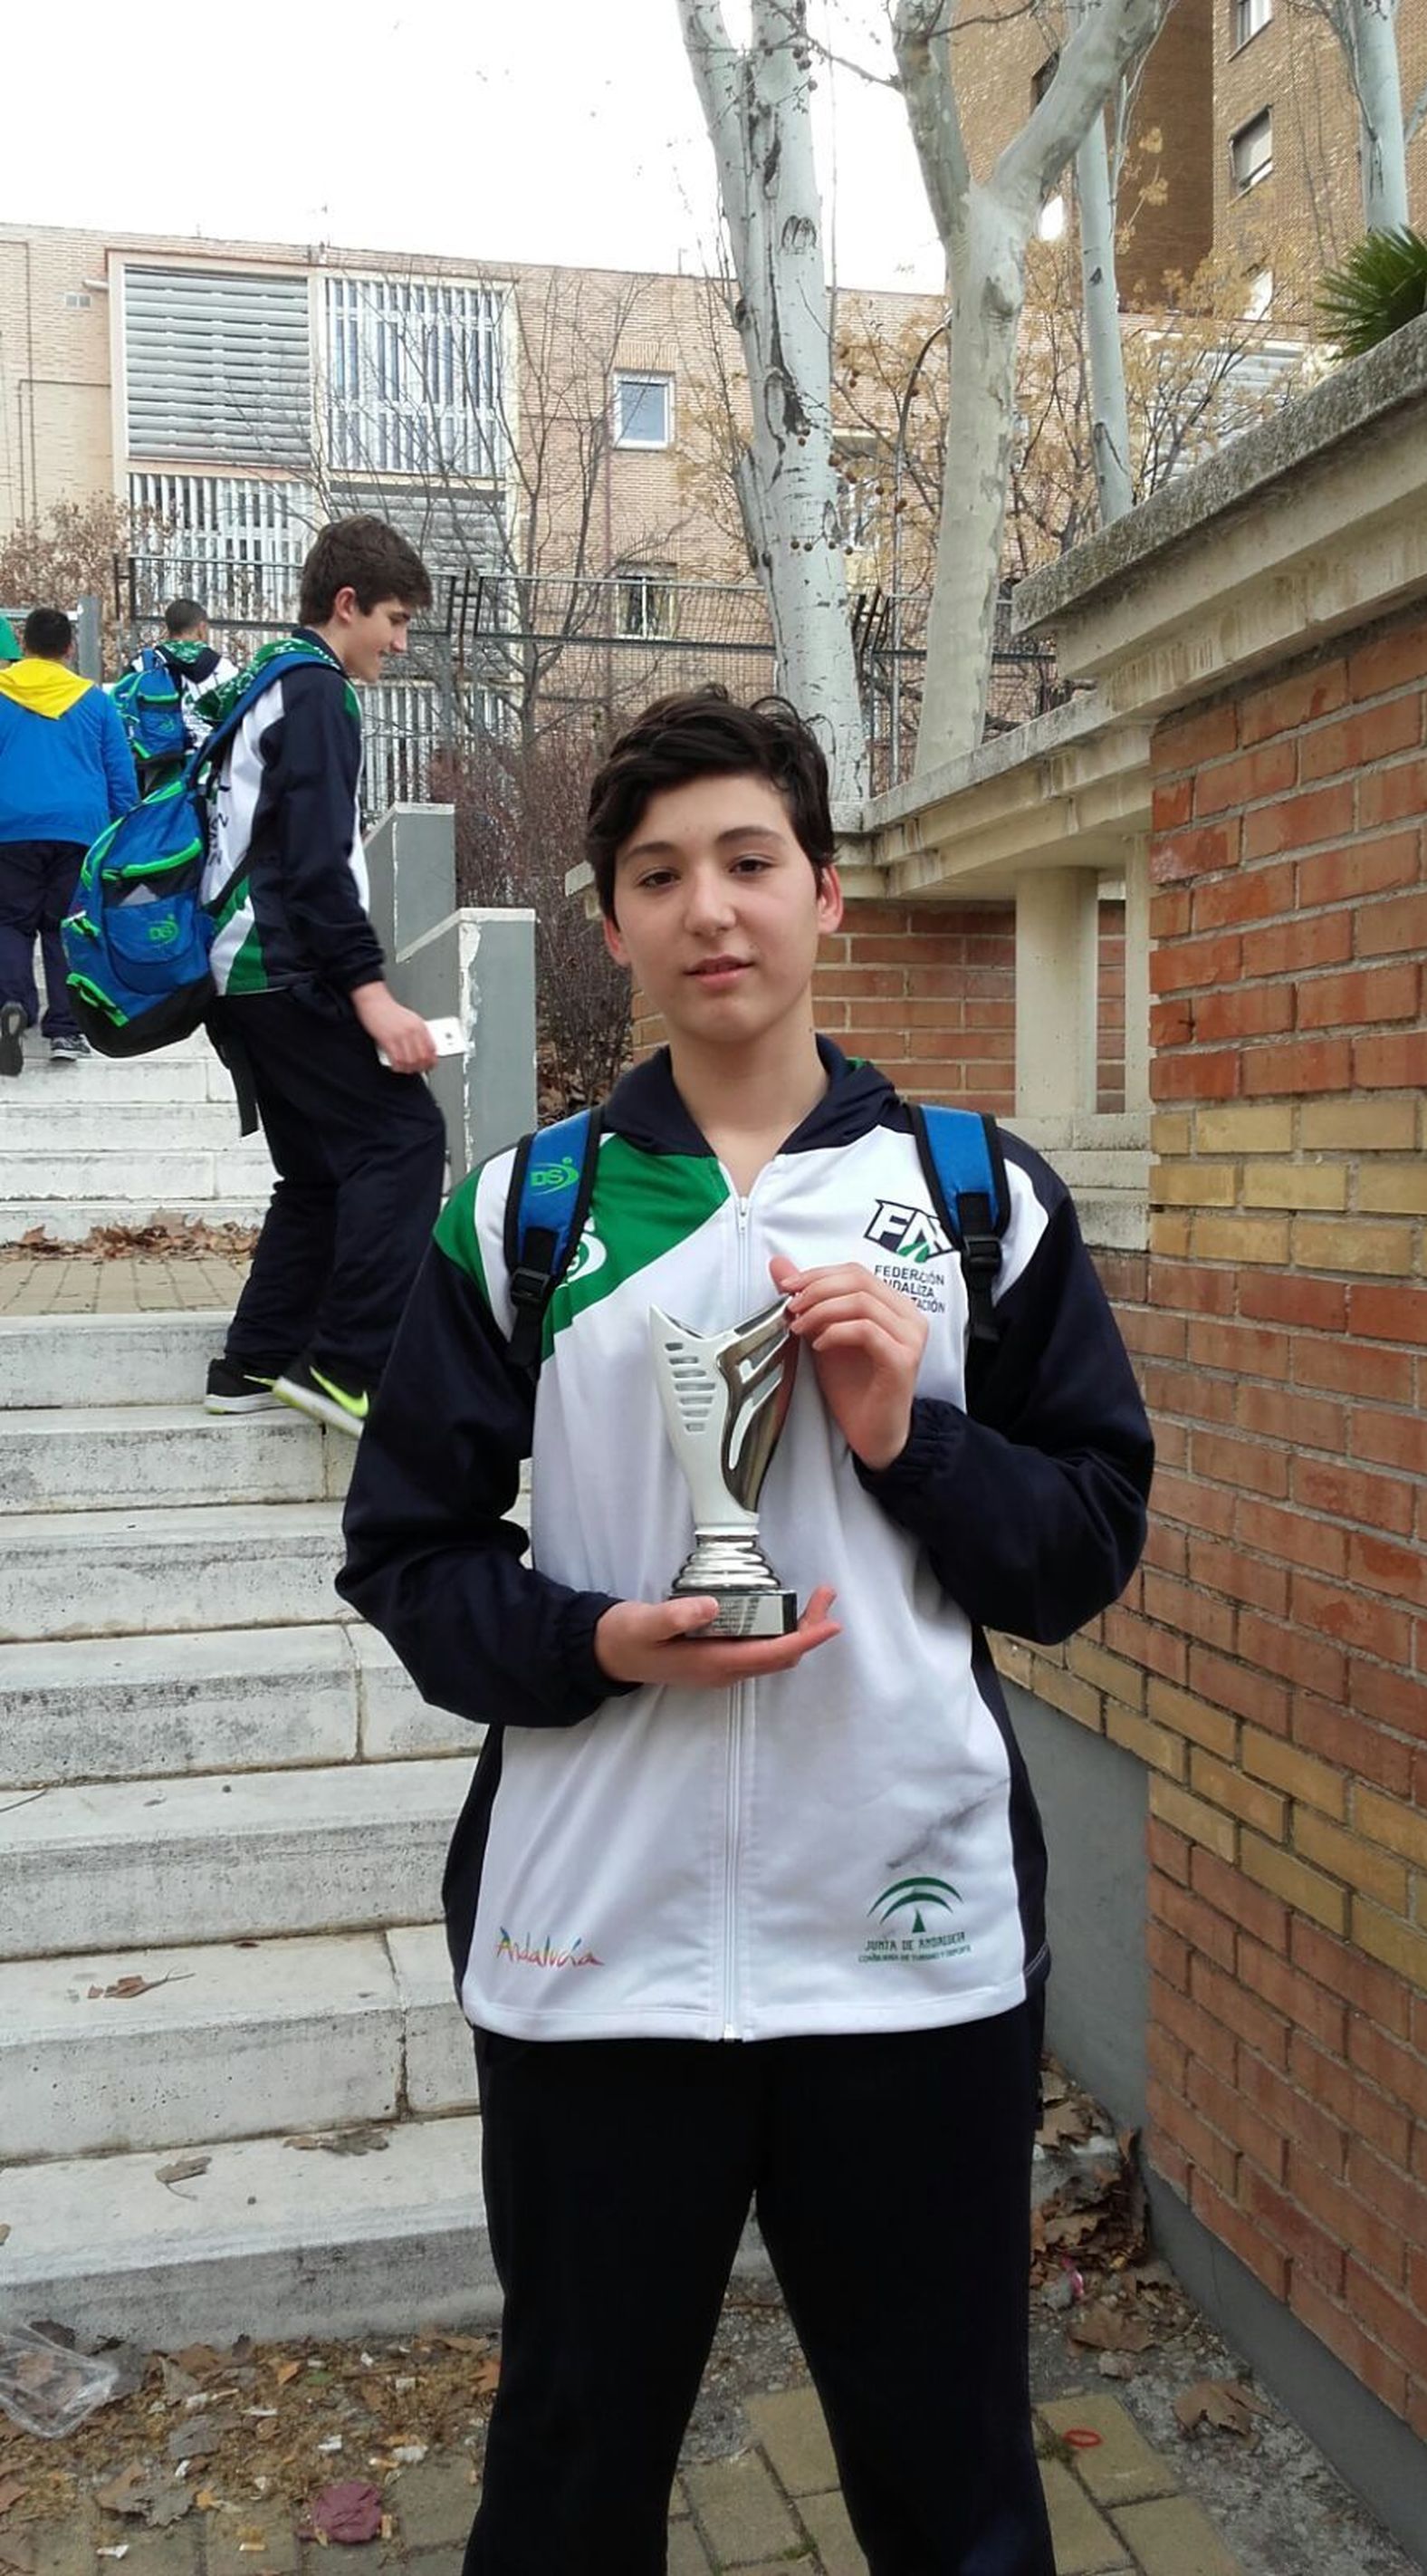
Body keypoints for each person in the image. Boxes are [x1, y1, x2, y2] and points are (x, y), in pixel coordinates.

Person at [338, 688, 1154, 2576]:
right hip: (592, 1954)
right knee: (564, 2477)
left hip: (908, 1955)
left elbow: (1075, 1551)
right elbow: (409, 1558)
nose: (710, 908)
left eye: (747, 862)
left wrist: (907, 1440)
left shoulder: (974, 1205)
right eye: (657, 874)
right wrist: (595, 1645)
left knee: (951, 2491)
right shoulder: (519, 1216)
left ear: (823, 897)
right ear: (611, 923)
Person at [201, 516, 445, 1438]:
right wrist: (370, 992)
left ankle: (253, 1360)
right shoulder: (316, 693)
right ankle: (348, 1368)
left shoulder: (262, 684)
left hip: (243, 978)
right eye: (394, 618)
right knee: (403, 1139)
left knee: (315, 1175)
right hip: (285, 966)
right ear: (345, 605)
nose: (400, 642)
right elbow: (312, 864)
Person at [0, 605, 136, 1072]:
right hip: (79, 830)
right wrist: (124, 831)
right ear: (69, 648)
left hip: (9, 828)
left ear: (25, 645)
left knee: (10, 923)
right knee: (65, 928)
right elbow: (120, 776)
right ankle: (65, 1029)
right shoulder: (95, 701)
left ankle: (11, 1005)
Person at [124, 597, 239, 783]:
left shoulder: (143, 666)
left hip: (158, 770)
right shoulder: (225, 670)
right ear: (202, 628)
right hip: (210, 770)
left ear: (168, 629)